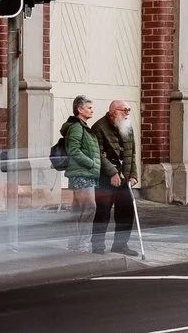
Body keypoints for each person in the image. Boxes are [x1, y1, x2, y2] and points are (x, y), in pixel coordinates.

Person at [92, 100, 143, 255]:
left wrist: (133, 174)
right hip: (105, 179)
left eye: (129, 110)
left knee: (127, 211)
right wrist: (113, 172)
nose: (127, 113)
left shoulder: (127, 127)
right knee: (103, 212)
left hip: (124, 178)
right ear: (113, 111)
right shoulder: (99, 127)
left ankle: (120, 245)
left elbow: (131, 154)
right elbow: (98, 155)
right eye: (124, 110)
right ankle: (98, 246)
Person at [50, 96, 102, 233]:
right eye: (89, 108)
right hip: (81, 174)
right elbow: (74, 150)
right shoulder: (77, 127)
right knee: (88, 208)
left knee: (80, 210)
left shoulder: (83, 127)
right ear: (80, 109)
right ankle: (82, 245)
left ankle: (76, 244)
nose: (92, 111)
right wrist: (91, 163)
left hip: (86, 174)